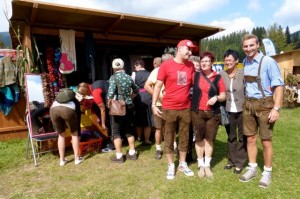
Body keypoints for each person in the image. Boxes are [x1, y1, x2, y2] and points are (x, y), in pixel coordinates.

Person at [239, 34, 284, 188]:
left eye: (251, 45)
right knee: (250, 139)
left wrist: (276, 108)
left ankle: (267, 172)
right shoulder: (244, 62)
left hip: (265, 105)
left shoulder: (268, 62)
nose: (248, 49)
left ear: (258, 45)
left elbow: (278, 86)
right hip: (248, 104)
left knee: (265, 141)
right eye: (245, 46)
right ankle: (252, 168)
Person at [152, 39, 197, 180]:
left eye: (191, 50)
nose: (190, 53)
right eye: (188, 50)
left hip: (185, 108)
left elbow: (196, 85)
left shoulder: (191, 66)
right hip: (169, 108)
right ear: (179, 48)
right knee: (169, 136)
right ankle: (171, 165)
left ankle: (182, 163)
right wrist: (153, 104)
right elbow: (158, 86)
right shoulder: (166, 66)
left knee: (184, 137)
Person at [191, 51, 226, 178]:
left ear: (212, 63)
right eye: (202, 61)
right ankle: (200, 165)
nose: (204, 63)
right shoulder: (195, 76)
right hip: (197, 112)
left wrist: (216, 97)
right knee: (199, 138)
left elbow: (223, 95)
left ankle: (207, 166)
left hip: (213, 113)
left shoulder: (218, 77)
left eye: (207, 61)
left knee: (209, 139)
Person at [219, 49, 247, 174]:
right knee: (231, 137)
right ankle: (231, 161)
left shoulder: (243, 74)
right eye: (226, 60)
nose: (227, 62)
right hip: (228, 110)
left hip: (242, 110)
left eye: (230, 60)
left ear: (236, 61)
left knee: (242, 137)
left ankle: (239, 163)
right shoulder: (221, 75)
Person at [107, 58, 139, 163]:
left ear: (113, 68)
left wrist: (109, 102)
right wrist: (131, 97)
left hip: (118, 107)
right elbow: (136, 89)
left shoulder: (113, 77)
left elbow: (111, 92)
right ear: (123, 66)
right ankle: (132, 153)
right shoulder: (128, 77)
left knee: (116, 131)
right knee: (128, 129)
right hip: (129, 105)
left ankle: (119, 156)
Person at [144, 53, 174, 159]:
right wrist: (159, 96)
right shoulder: (156, 71)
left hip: (171, 105)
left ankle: (170, 147)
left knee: (170, 127)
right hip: (159, 105)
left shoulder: (174, 70)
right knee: (158, 128)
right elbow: (146, 86)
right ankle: (158, 149)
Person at [77, 80, 115, 153]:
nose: (85, 96)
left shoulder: (95, 92)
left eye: (84, 94)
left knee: (111, 123)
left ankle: (112, 145)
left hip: (113, 104)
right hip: (112, 99)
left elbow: (102, 109)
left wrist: (103, 124)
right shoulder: (93, 85)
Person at [50, 90, 83, 166]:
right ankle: (77, 159)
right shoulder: (74, 101)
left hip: (53, 110)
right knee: (74, 134)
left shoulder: (56, 100)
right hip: (68, 110)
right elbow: (78, 117)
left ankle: (62, 160)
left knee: (61, 135)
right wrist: (78, 131)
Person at [133, 59, 153, 145]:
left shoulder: (134, 75)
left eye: (135, 66)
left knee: (138, 118)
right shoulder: (150, 74)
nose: (135, 68)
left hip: (138, 97)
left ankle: (139, 137)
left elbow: (132, 86)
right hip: (148, 96)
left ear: (139, 65)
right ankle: (147, 139)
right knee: (147, 119)